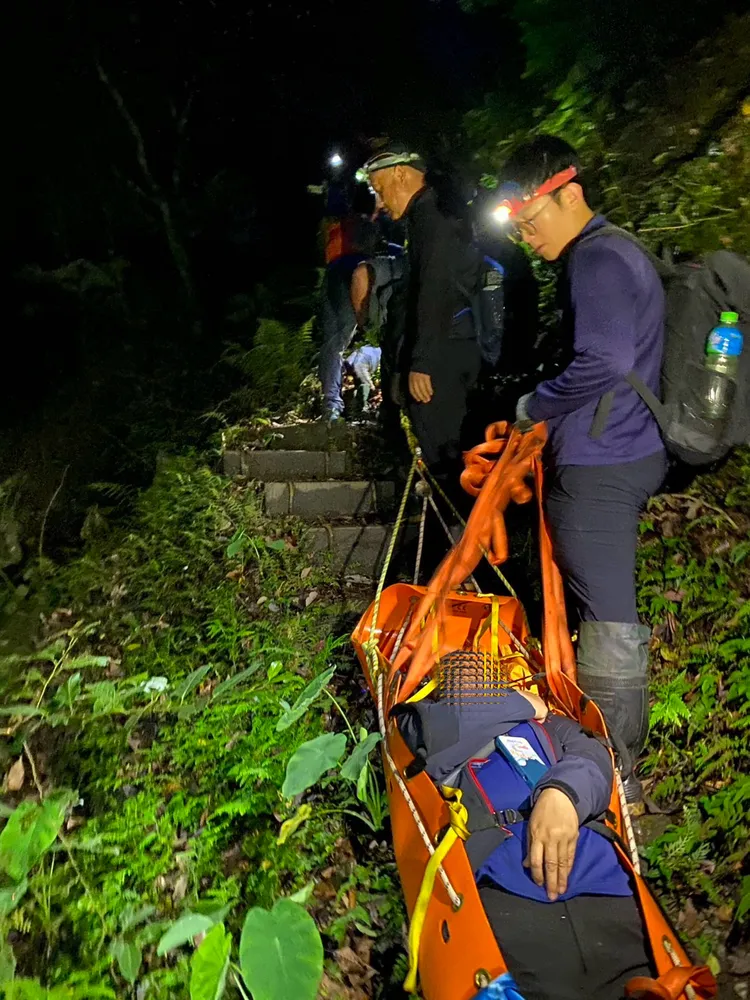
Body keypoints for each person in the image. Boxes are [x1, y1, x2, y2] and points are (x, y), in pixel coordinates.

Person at [498, 136, 667, 802]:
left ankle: (608, 774)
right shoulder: (613, 250)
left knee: (609, 621)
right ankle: (596, 751)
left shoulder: (595, 259)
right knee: (601, 614)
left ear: (569, 194)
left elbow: (605, 361)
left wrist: (534, 404)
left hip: (606, 463)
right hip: (622, 448)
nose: (527, 237)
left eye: (532, 221)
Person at [393, 654, 652, 1000]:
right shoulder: (432, 733)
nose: (468, 678)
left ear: (497, 681)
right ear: (440, 693)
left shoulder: (550, 727)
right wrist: (525, 704)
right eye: (454, 675)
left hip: (602, 882)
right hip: (511, 891)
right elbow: (453, 716)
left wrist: (562, 793)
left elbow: (593, 755)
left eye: (478, 671)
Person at [362, 144, 484, 512]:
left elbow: (436, 289)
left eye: (380, 191)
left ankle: (459, 552)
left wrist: (422, 361)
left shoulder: (433, 218)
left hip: (442, 358)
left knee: (443, 461)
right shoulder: (432, 214)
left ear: (402, 173)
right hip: (450, 348)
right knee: (441, 457)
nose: (379, 205)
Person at [344, 343, 381, 412]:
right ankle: (361, 409)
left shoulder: (367, 348)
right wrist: (372, 385)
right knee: (365, 385)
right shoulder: (378, 352)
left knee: (359, 386)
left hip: (351, 365)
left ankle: (352, 409)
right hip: (359, 366)